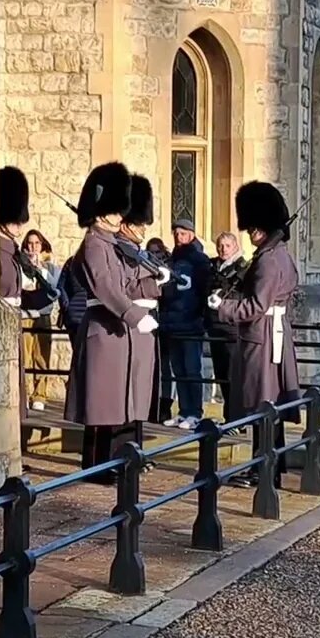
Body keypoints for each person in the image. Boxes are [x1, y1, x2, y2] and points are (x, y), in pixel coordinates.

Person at [62, 162, 161, 484]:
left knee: (118, 402)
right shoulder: (93, 244)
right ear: (103, 213)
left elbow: (126, 279)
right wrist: (135, 315)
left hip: (117, 330)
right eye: (117, 212)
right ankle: (98, 467)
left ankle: (117, 461)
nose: (122, 218)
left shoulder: (110, 244)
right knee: (103, 405)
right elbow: (105, 287)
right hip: (104, 330)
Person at [208, 181, 300, 487]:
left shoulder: (269, 260)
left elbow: (256, 306)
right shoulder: (278, 255)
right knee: (270, 405)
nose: (251, 235)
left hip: (262, 338)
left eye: (254, 229)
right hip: (274, 334)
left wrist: (223, 306)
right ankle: (273, 466)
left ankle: (264, 469)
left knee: (263, 405)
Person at [116, 174, 170, 457]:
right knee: (128, 394)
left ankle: (135, 450)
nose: (142, 229)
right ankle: (126, 453)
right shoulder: (119, 249)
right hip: (132, 324)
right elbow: (124, 287)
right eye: (138, 224)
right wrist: (152, 281)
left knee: (139, 393)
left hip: (145, 323)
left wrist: (157, 280)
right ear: (126, 223)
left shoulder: (135, 251)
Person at [160, 219, 212, 429]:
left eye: (182, 233)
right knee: (178, 370)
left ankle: (195, 412)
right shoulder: (172, 260)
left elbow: (204, 290)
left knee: (192, 369)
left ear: (191, 234)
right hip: (172, 323)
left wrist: (200, 316)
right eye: (175, 234)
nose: (178, 237)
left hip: (191, 322)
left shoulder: (199, 260)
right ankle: (183, 411)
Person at [0, 166, 35, 422]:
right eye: (14, 219)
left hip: (13, 322)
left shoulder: (12, 250)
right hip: (1, 326)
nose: (19, 224)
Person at [20, 230, 60, 411]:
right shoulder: (20, 265)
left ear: (42, 245)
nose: (33, 246)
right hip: (26, 314)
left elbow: (54, 288)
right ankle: (26, 392)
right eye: (29, 243)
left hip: (43, 315)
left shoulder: (50, 267)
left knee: (42, 357)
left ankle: (40, 394)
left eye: (36, 243)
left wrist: (39, 269)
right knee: (25, 356)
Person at [206, 232, 247, 411]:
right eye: (220, 246)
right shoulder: (213, 267)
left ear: (235, 247)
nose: (223, 249)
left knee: (233, 374)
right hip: (215, 326)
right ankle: (228, 416)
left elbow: (244, 297)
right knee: (221, 374)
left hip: (232, 327)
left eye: (227, 246)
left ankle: (236, 417)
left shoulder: (243, 269)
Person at [145, 237, 176, 423]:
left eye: (158, 252)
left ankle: (165, 406)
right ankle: (151, 405)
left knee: (166, 367)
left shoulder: (169, 267)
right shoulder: (143, 266)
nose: (155, 256)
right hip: (149, 319)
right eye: (151, 252)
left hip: (166, 320)